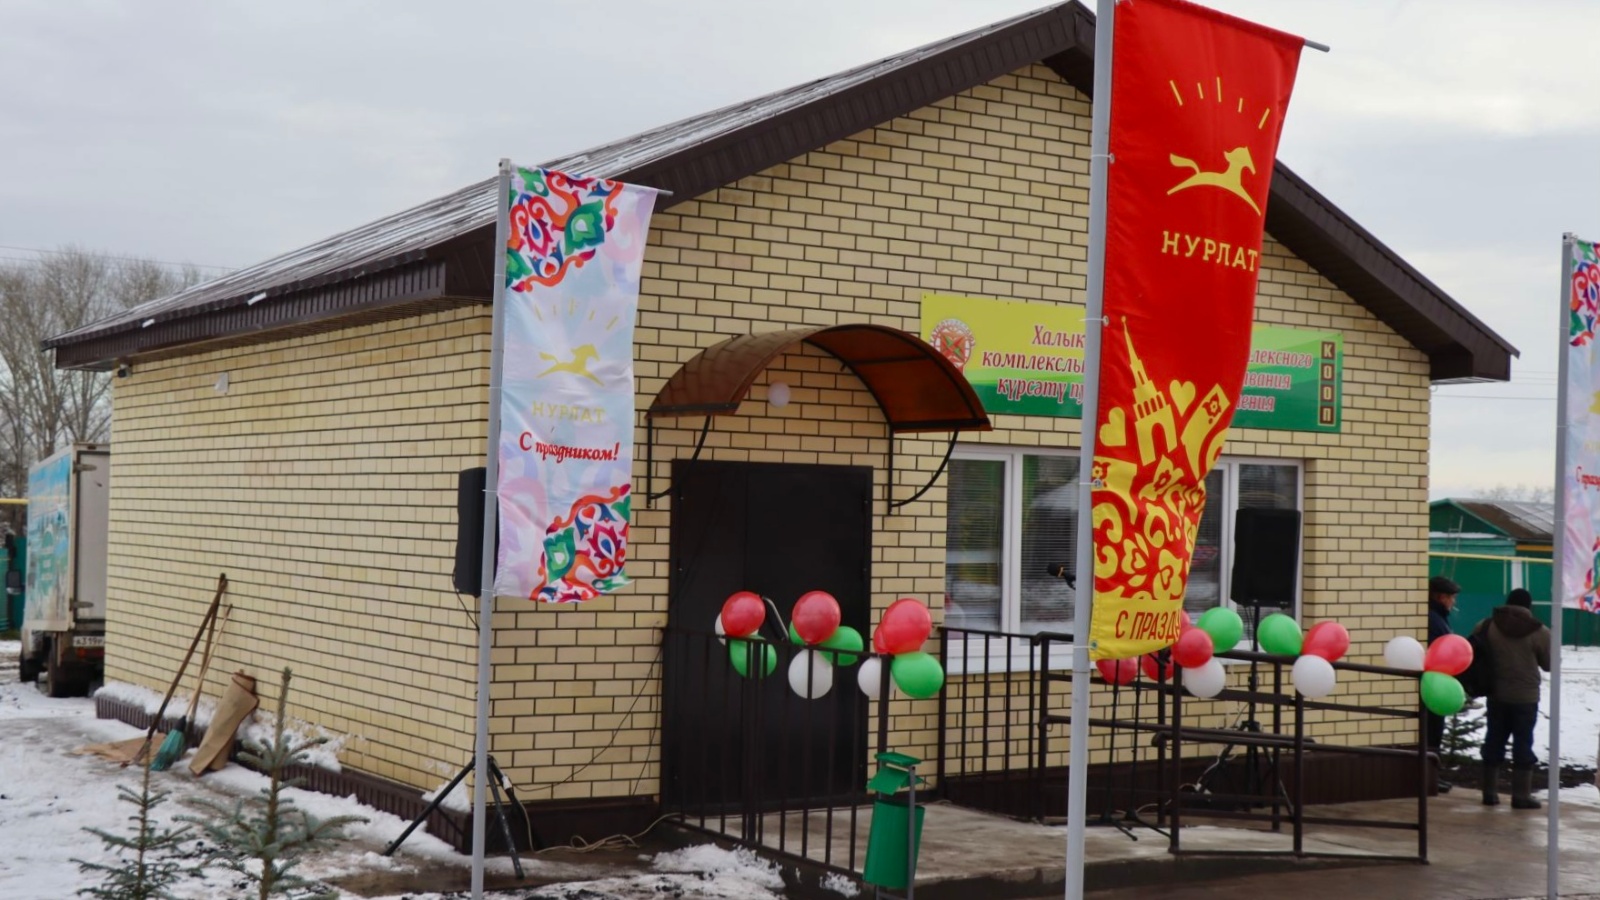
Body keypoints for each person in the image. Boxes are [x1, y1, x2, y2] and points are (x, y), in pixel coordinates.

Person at [1476, 587, 1552, 809]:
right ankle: (1521, 796)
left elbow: (1474, 652)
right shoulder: (1539, 631)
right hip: (1525, 697)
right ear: (1528, 607)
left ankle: (1489, 793)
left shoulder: (1486, 625)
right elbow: (1548, 665)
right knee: (1523, 742)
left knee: (1494, 739)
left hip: (1496, 694)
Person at [1426, 575, 1459, 792]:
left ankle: (1432, 776)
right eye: (1451, 597)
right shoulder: (1434, 620)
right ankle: (1429, 778)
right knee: (1432, 731)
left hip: (1436, 683)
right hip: (1434, 684)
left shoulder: (1437, 617)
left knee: (1434, 730)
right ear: (1441, 597)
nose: (1453, 602)